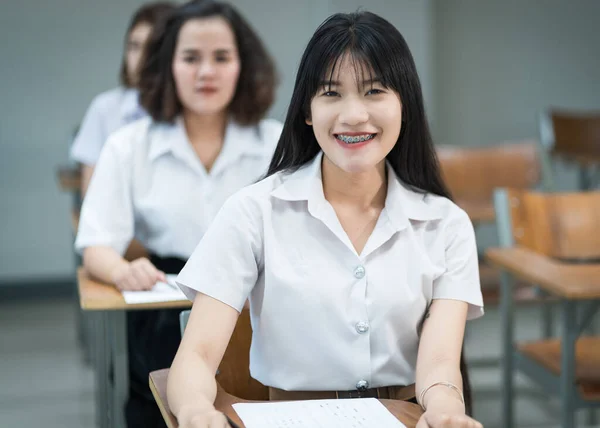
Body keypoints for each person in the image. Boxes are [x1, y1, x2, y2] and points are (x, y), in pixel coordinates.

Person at [170, 10, 485, 428]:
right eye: (331, 93)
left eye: (374, 91)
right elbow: (195, 357)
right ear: (306, 110)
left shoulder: (447, 224)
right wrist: (195, 412)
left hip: (404, 418)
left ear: (404, 105)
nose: (353, 115)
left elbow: (441, 363)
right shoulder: (254, 211)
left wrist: (445, 411)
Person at [74, 1, 280, 426]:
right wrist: (121, 271)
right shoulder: (128, 145)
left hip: (260, 299)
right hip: (167, 296)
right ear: (167, 65)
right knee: (160, 385)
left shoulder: (276, 142)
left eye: (221, 57)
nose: (206, 72)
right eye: (191, 58)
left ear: (244, 65)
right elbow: (96, 243)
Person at [70, 2, 175, 195]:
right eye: (134, 46)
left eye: (152, 49)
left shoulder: (192, 111)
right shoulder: (105, 108)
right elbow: (92, 195)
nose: (141, 58)